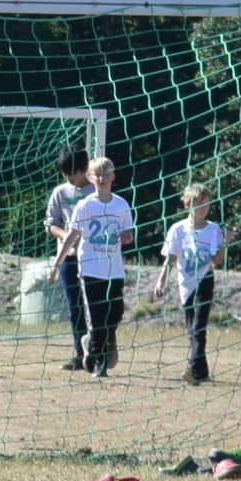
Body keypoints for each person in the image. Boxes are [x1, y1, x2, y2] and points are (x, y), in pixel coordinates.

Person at [58, 154, 139, 376]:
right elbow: (72, 235)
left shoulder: (121, 204)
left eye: (105, 174)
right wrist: (58, 262)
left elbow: (129, 233)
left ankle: (91, 344)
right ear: (91, 178)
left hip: (114, 270)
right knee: (97, 316)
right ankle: (99, 364)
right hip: (90, 268)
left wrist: (126, 237)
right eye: (97, 175)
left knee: (115, 313)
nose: (101, 179)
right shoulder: (85, 205)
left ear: (113, 176)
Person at [158, 181, 224, 384]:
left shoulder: (213, 229)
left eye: (207, 205)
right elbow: (170, 258)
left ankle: (193, 370)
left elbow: (217, 260)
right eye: (199, 205)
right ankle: (202, 372)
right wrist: (160, 281)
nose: (204, 209)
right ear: (188, 205)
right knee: (192, 330)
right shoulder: (177, 230)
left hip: (204, 280)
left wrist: (226, 242)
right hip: (186, 284)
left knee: (198, 327)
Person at [41, 145, 96, 370]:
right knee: (74, 307)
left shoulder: (96, 191)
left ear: (83, 169)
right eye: (65, 173)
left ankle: (99, 350)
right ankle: (80, 355)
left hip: (94, 257)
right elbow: (50, 223)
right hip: (68, 257)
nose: (68, 178)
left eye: (72, 173)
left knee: (95, 306)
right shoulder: (60, 193)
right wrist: (66, 236)